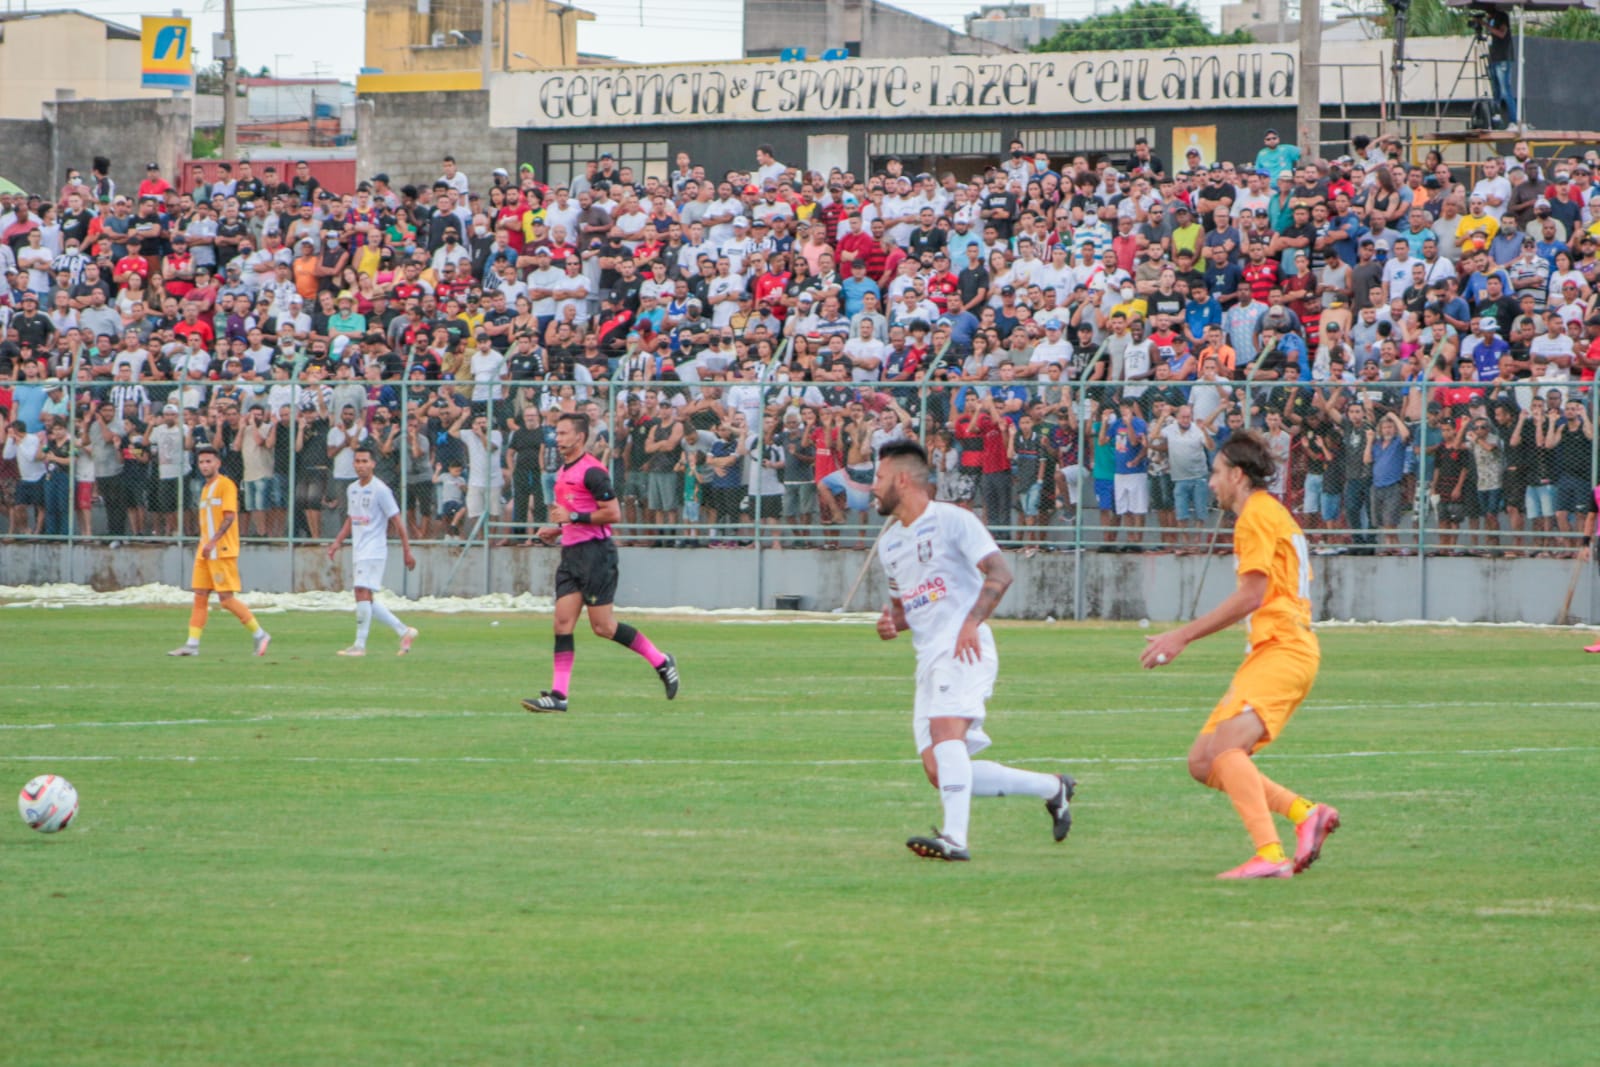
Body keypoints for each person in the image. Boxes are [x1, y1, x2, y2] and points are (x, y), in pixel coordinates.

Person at [1140, 432, 1338, 878]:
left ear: (1237, 474)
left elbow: (1253, 594)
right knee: (1204, 760)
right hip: (1276, 649)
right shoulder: (1269, 512)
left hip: (1283, 648)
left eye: (1215, 473)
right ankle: (1306, 814)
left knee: (1228, 749)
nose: (1211, 483)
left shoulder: (1254, 517)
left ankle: (1269, 855)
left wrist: (1183, 636)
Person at [872, 440, 1075, 862]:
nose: (872, 487)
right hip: (929, 657)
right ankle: (1054, 788)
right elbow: (906, 609)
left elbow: (1000, 572)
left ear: (903, 480)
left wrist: (970, 622)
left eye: (878, 478)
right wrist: (893, 622)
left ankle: (955, 839)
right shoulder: (890, 544)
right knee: (938, 769)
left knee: (948, 735)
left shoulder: (953, 520)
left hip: (966, 648)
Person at [523, 411, 679, 713]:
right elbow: (573, 515)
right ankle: (559, 695)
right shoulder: (561, 473)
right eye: (557, 432)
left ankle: (661, 661)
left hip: (596, 555)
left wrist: (573, 518)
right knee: (562, 622)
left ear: (580, 437)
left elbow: (613, 514)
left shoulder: (593, 472)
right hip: (571, 555)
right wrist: (557, 530)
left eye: (564, 432)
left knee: (603, 627)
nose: (559, 438)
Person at [168, 444, 272, 658]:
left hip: (220, 550)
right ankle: (192, 644)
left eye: (209, 461)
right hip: (205, 550)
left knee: (226, 598)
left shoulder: (226, 485)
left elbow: (230, 517)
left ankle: (260, 634)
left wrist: (213, 541)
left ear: (218, 463)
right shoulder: (205, 488)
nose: (205, 465)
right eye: (202, 462)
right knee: (200, 595)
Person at [326, 445, 419, 657]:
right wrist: (337, 542)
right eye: (357, 461)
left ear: (373, 464)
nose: (360, 465)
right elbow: (351, 518)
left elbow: (397, 520)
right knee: (365, 596)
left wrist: (407, 550)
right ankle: (404, 631)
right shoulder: (352, 489)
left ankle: (359, 646)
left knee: (360, 592)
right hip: (359, 549)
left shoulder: (381, 490)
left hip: (374, 549)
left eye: (364, 461)